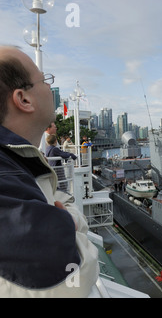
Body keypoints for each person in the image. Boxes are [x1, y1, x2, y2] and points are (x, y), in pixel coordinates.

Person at [0, 46, 99, 297]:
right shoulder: (6, 172)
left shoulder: (18, 161)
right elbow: (72, 273)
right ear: (23, 99)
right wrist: (74, 221)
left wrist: (65, 220)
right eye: (44, 80)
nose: (50, 88)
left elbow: (56, 198)